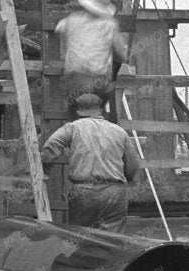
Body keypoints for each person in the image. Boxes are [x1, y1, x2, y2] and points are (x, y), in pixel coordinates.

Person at [38, 91, 147, 232]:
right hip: (113, 193)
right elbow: (133, 165)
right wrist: (125, 179)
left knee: (82, 240)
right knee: (113, 242)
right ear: (100, 110)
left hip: (84, 193)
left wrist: (44, 172)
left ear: (78, 111)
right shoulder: (119, 132)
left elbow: (51, 146)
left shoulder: (73, 127)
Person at [54, 0, 132, 117]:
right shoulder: (110, 25)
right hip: (99, 84)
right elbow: (122, 54)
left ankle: (74, 128)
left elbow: (58, 28)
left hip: (75, 83)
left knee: (73, 116)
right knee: (99, 108)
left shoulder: (72, 20)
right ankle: (100, 119)